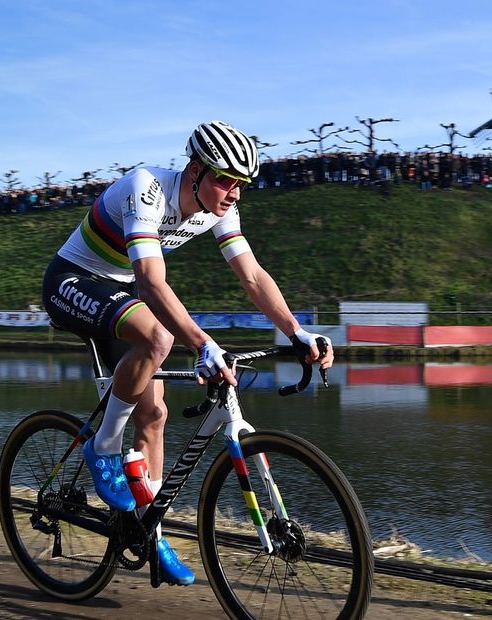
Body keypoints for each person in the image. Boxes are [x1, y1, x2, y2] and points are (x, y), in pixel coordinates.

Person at [41, 120, 332, 586]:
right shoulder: (147, 188)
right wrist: (204, 344)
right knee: (159, 339)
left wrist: (296, 332)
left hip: (119, 294)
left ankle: (146, 531)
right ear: (194, 170)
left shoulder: (219, 209)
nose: (234, 192)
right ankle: (103, 447)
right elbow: (151, 283)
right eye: (224, 178)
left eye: (241, 184)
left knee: (154, 414)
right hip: (73, 281)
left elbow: (252, 277)